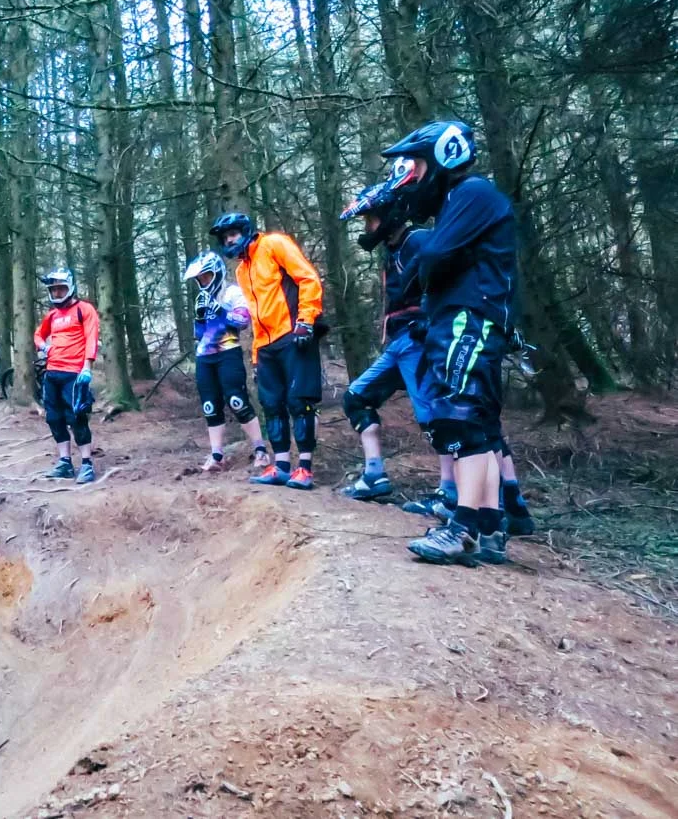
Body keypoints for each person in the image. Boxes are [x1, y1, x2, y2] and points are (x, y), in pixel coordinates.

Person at [380, 121, 518, 565]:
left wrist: (422, 274)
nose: (413, 175)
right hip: (471, 316)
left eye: (417, 165)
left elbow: (435, 257)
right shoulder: (462, 200)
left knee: (462, 421)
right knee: (481, 425)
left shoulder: (471, 194)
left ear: (442, 159)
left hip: (469, 318)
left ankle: (462, 528)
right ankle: (492, 528)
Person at [211, 212, 326, 491]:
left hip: (293, 333)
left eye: (233, 234)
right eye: (225, 238)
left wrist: (306, 320)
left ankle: (305, 468)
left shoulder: (274, 244)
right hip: (266, 344)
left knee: (301, 402)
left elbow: (307, 278)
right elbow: (253, 312)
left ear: (246, 231)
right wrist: (255, 354)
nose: (229, 240)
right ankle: (282, 466)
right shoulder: (241, 270)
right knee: (272, 405)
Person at [337, 179, 433, 500]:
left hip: (420, 341)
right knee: (356, 399)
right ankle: (375, 475)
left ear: (388, 213)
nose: (368, 227)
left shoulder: (417, 241)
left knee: (440, 421)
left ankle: (458, 494)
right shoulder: (392, 250)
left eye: (369, 218)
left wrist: (429, 325)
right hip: (399, 344)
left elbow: (448, 282)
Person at [182, 251, 270, 473]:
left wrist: (220, 310)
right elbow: (199, 333)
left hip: (228, 352)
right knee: (210, 405)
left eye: (206, 277)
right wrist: (201, 316)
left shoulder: (232, 293)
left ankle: (260, 450)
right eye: (200, 279)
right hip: (205, 356)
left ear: (216, 273)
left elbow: (242, 320)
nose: (203, 282)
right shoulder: (200, 298)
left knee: (236, 400)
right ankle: (217, 455)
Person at [34, 267, 101, 484]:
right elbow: (38, 335)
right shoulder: (51, 316)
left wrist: (87, 367)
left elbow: (91, 338)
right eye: (54, 291)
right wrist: (44, 348)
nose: (57, 294)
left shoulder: (85, 309)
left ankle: (87, 464)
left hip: (74, 373)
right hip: (52, 373)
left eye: (61, 289)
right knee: (54, 418)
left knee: (77, 418)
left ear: (70, 288)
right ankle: (64, 462)